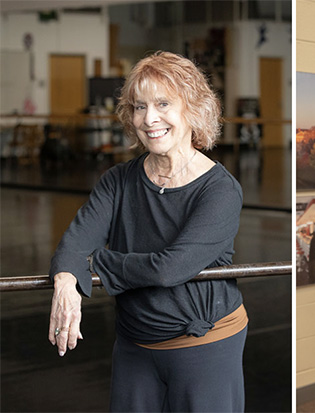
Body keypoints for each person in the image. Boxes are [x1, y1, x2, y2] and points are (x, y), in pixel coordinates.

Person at [48, 51, 247, 412]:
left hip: (202, 345)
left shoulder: (220, 190)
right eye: (139, 107)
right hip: (134, 344)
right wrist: (66, 281)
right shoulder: (118, 181)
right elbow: (74, 243)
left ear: (193, 108)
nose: (149, 118)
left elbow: (169, 268)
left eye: (163, 104)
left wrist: (99, 264)